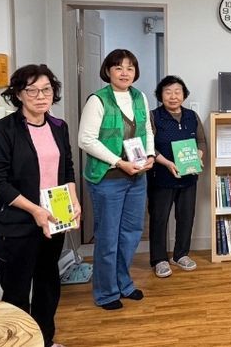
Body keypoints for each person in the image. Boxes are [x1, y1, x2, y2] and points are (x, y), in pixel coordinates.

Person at [0, 64, 79, 347]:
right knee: (17, 292)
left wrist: (73, 199)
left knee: (48, 285)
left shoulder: (59, 127)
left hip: (52, 220)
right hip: (15, 225)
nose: (40, 96)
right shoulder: (3, 130)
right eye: (32, 90)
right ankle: (20, 343)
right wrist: (35, 210)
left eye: (46, 89)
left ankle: (44, 341)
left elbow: (67, 167)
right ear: (19, 94)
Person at [78, 49, 155, 310]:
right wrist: (119, 162)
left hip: (137, 176)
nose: (125, 73)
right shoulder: (97, 100)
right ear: (108, 71)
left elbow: (147, 130)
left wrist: (150, 155)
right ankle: (106, 292)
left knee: (131, 234)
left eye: (130, 68)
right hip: (107, 177)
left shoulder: (139, 97)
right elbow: (85, 140)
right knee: (108, 237)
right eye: (119, 67)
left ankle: (124, 283)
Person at [148, 75, 207, 277]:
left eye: (177, 92)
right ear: (160, 95)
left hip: (188, 177)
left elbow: (201, 141)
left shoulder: (192, 116)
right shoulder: (153, 116)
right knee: (159, 219)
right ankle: (159, 259)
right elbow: (149, 146)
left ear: (184, 95)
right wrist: (166, 163)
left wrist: (198, 156)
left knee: (186, 217)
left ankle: (181, 254)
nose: (173, 96)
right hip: (161, 178)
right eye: (168, 92)